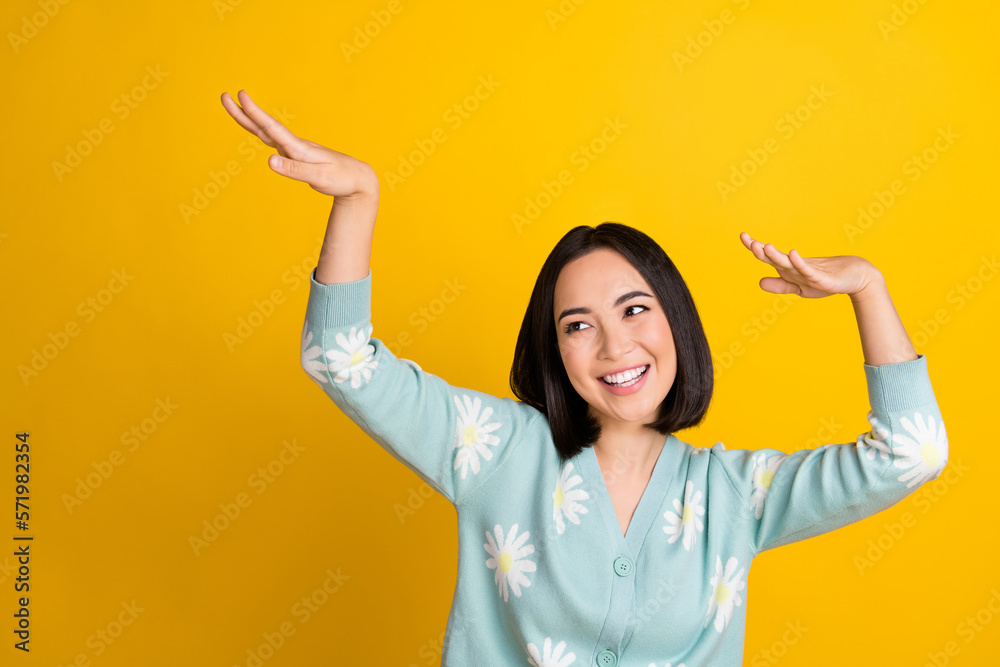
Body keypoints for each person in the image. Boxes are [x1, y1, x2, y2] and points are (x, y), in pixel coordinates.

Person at [221, 89, 950, 666]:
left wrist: (868, 288)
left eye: (635, 309)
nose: (613, 344)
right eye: (577, 324)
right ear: (555, 352)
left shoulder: (733, 499)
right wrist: (360, 199)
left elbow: (911, 455)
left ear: (676, 325)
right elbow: (340, 360)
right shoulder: (496, 451)